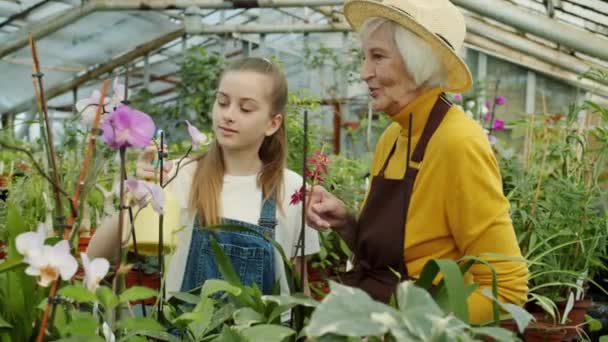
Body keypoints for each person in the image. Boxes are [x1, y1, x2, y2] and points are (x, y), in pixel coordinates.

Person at [305, 0, 528, 324]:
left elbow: (507, 289)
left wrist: (413, 325)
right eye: (364, 57)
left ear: (417, 61)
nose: (364, 72)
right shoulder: (393, 140)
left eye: (378, 57)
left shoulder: (457, 144)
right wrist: (347, 223)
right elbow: (386, 264)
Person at [88, 57, 320, 297]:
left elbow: (298, 287)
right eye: (222, 102)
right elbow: (97, 255)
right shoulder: (179, 176)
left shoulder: (291, 189)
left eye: (245, 108)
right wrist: (138, 196)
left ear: (272, 123)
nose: (228, 115)